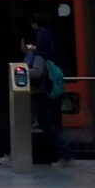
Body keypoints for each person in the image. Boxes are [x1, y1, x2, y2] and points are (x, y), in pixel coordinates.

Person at [24, 25, 69, 165]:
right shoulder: (42, 54)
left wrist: (21, 72)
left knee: (23, 124)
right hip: (40, 95)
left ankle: (15, 154)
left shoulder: (38, 56)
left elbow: (37, 72)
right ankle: (65, 153)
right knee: (48, 125)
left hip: (37, 94)